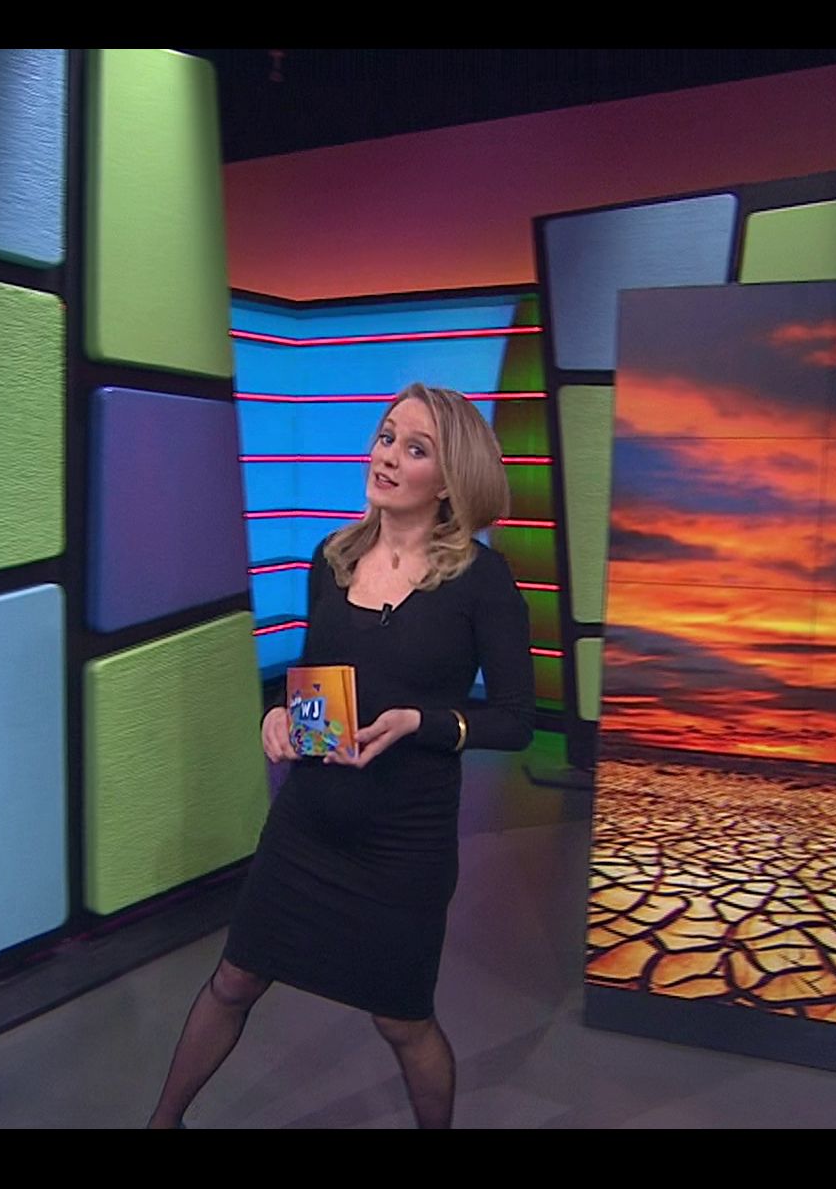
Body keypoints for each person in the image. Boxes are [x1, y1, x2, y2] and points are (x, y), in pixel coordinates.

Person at [147, 383, 538, 1129]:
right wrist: (278, 717)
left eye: (414, 449)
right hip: (309, 821)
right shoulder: (332, 558)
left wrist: (421, 722)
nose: (387, 457)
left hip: (404, 840)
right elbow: (313, 679)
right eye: (387, 437)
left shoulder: (482, 583)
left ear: (449, 480)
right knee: (234, 980)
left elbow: (516, 721)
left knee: (402, 1021)